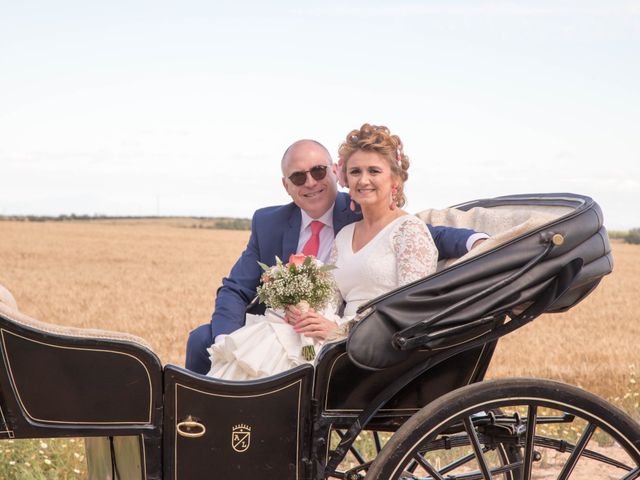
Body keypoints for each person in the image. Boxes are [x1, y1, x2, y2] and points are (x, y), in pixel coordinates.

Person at [185, 136, 487, 374]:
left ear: (332, 171)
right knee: (207, 341)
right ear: (286, 185)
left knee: (283, 362)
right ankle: (202, 427)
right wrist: (227, 340)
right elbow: (236, 289)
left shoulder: (360, 210)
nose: (312, 183)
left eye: (318, 171)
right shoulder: (272, 223)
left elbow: (424, 235)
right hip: (296, 329)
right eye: (299, 177)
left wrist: (476, 241)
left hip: (353, 338)